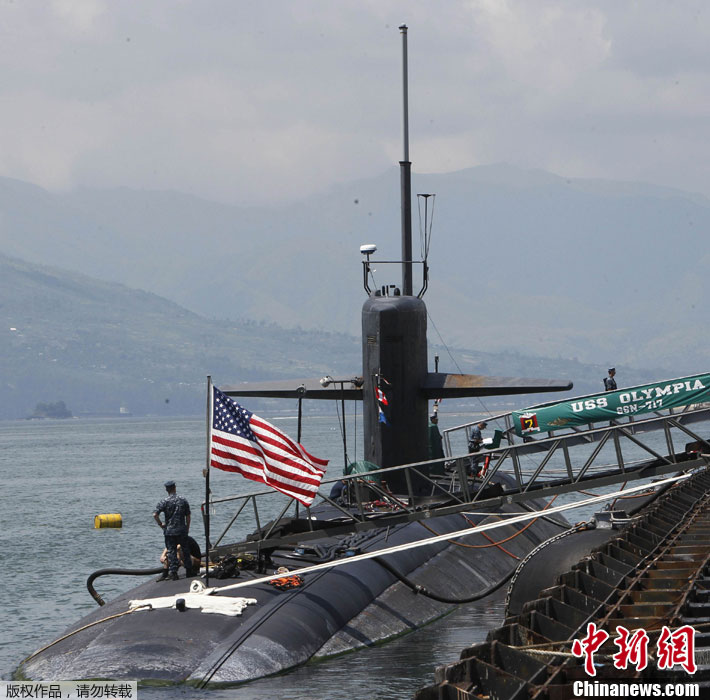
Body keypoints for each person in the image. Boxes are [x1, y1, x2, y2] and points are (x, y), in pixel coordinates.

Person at [153, 480, 194, 581]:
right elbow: (188, 516)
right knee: (185, 550)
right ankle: (189, 571)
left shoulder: (164, 501)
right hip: (181, 529)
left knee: (172, 551)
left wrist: (161, 524)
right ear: (175, 488)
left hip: (170, 531)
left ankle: (174, 572)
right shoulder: (183, 500)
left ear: (166, 490)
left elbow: (155, 514)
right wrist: (187, 528)